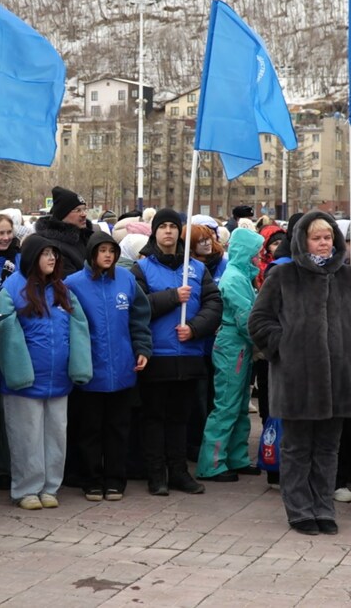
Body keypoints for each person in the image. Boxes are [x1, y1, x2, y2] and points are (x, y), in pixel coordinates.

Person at [248, 210, 351, 535]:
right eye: (317, 238)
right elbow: (259, 321)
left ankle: (324, 507)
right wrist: (285, 346)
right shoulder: (283, 276)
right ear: (302, 240)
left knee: (327, 449)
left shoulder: (348, 277)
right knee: (296, 449)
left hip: (338, 381)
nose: (324, 244)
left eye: (328, 238)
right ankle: (299, 510)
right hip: (297, 381)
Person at [0, 235, 92, 509]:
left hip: (59, 380)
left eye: (55, 254)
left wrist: (80, 367)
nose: (52, 258)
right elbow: (2, 330)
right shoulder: (12, 289)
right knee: (26, 436)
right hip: (24, 382)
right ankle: (26, 489)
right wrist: (17, 371)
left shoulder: (62, 290)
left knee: (56, 436)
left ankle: (50, 487)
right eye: (46, 253)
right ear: (32, 256)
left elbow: (79, 327)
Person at [131, 209, 222, 497]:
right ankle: (157, 474)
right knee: (154, 417)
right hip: (157, 355)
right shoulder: (141, 269)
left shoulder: (195, 268)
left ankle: (179, 471)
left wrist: (195, 328)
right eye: (163, 227)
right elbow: (138, 306)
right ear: (154, 232)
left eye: (173, 226)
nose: (168, 231)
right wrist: (173, 297)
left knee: (181, 418)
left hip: (189, 354)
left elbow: (213, 304)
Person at [65, 232, 152, 501]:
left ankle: (115, 478)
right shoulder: (73, 284)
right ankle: (91, 479)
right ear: (91, 253)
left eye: (111, 250)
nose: (107, 255)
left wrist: (142, 348)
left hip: (123, 368)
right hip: (89, 370)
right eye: (101, 250)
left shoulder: (126, 279)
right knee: (90, 429)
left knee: (118, 428)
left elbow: (139, 318)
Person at [196, 228, 262, 482]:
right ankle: (211, 463)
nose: (258, 258)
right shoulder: (234, 279)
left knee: (240, 403)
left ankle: (236, 456)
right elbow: (246, 318)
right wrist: (263, 344)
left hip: (240, 346)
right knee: (227, 404)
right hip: (233, 346)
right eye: (255, 253)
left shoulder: (240, 276)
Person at [33, 186, 91, 277]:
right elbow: (71, 283)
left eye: (84, 209)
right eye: (78, 210)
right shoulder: (54, 247)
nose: (84, 214)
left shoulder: (87, 237)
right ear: (63, 214)